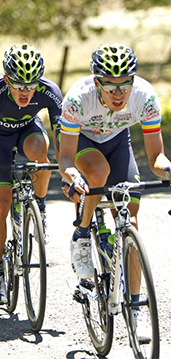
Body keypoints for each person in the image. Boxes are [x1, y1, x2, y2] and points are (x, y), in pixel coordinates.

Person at [58, 44, 171, 341]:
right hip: (84, 143)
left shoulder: (144, 97)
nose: (119, 94)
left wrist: (170, 170)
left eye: (125, 85)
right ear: (97, 83)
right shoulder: (78, 99)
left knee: (130, 223)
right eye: (110, 87)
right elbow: (65, 158)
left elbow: (157, 159)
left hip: (118, 143)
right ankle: (82, 236)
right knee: (97, 172)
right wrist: (72, 175)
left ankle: (135, 309)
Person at [0, 43, 62, 304]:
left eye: (31, 85)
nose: (25, 92)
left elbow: (61, 136)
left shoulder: (49, 91)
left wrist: (68, 166)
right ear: (6, 79)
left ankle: (41, 208)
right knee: (0, 204)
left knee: (41, 150)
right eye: (18, 85)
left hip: (27, 130)